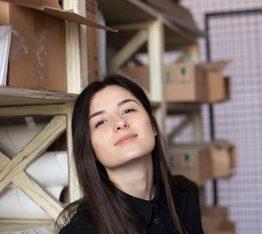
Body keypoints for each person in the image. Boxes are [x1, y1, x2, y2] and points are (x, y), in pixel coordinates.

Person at [56, 74, 204, 234]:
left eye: (128, 110)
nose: (120, 122)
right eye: (100, 122)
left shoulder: (185, 195)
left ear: (153, 126)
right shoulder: (82, 230)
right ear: (90, 151)